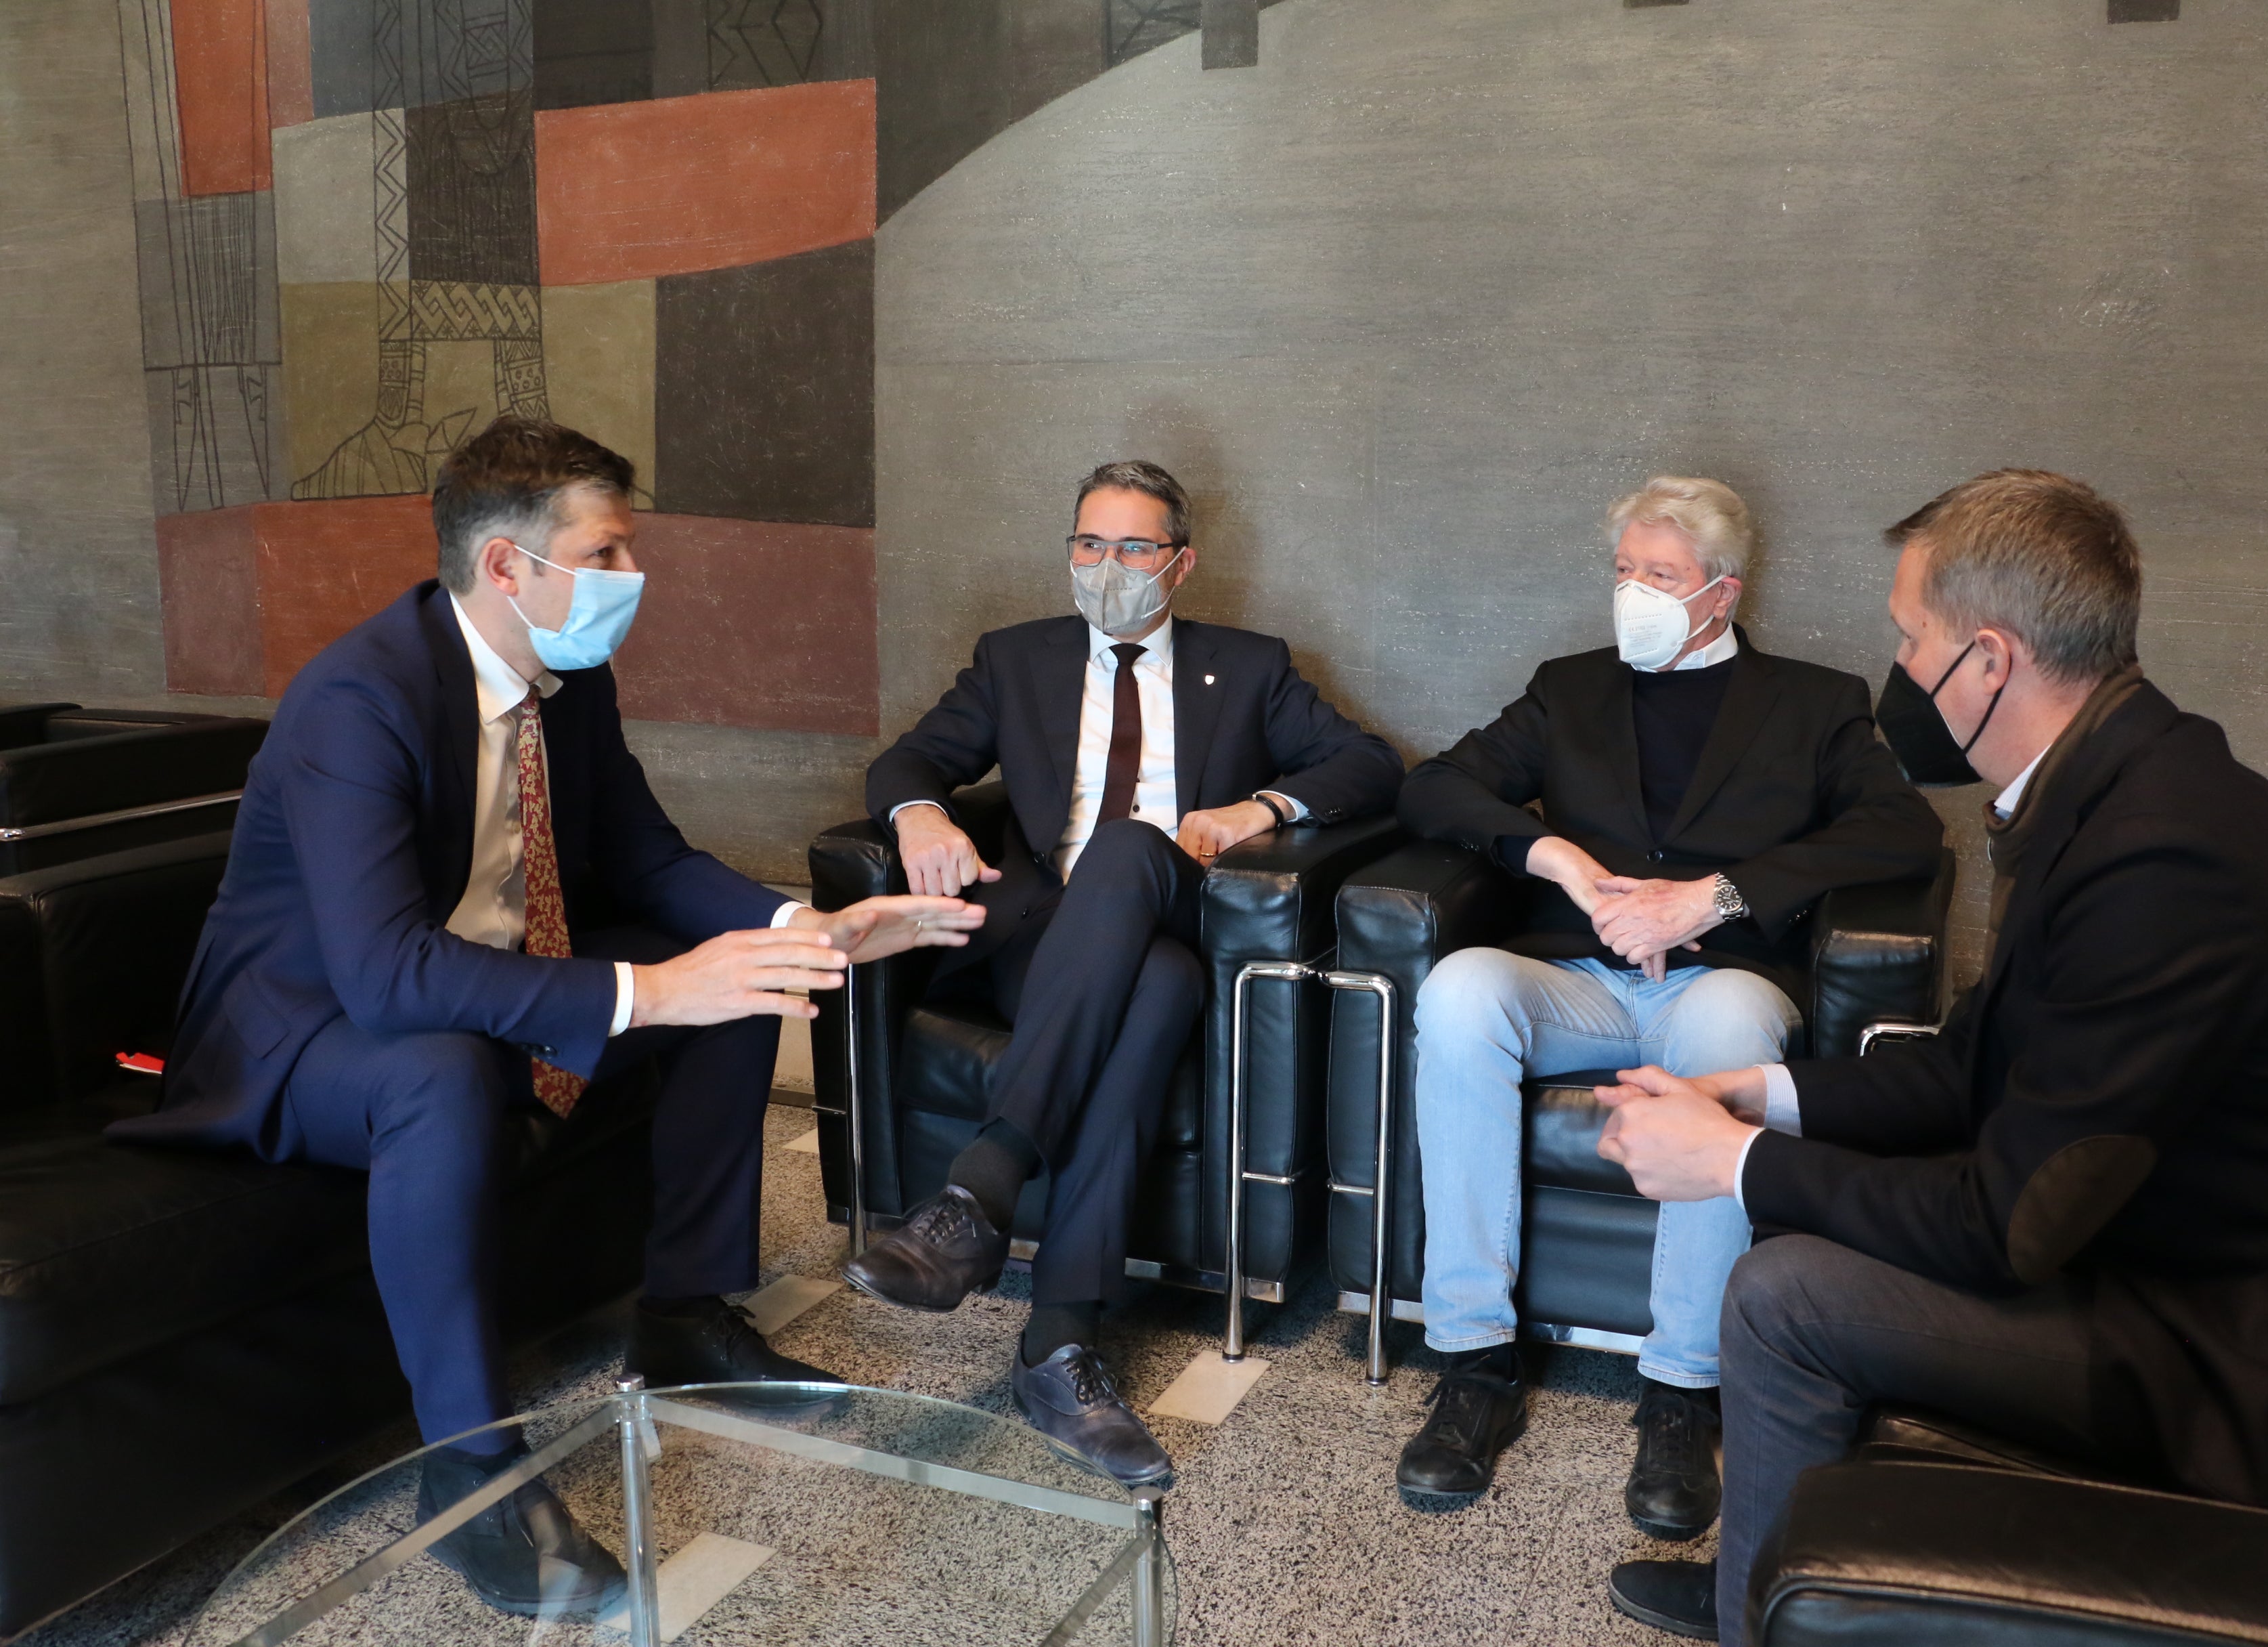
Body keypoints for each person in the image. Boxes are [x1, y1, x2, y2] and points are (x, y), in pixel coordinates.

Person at [114, 418, 982, 1619]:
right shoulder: (354, 702)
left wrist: (801, 926)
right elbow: (384, 978)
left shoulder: (565, 679)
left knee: (735, 978)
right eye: (610, 553)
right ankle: (469, 1479)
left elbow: (642, 855)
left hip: (478, 971)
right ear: (509, 568)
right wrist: (650, 989)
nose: (635, 580)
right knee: (444, 1074)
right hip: (305, 1029)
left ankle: (680, 1317)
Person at [1591, 469, 2268, 1643]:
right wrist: (1761, 1095)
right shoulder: (2109, 786)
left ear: (1990, 659)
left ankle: (1763, 1616)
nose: (1897, 670)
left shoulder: (2164, 857)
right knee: (1808, 1216)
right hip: (2172, 1262)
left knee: (1783, 1292)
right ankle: (1771, 1572)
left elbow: (2012, 1225)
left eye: (1910, 639)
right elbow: (1975, 1066)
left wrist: (1736, 1162)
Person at [1390, 477, 1943, 1533]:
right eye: (1625, 570)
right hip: (1583, 984)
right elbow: (1437, 784)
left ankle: (1684, 1393)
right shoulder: (1570, 688)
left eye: (1662, 576)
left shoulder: (1815, 701)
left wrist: (1717, 895)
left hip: (1718, 983)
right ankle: (1472, 1361)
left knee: (1729, 1028)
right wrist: (1555, 858)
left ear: (1720, 595)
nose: (1634, 592)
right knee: (1461, 990)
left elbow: (1903, 831)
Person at [841, 459, 1403, 1484]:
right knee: (1159, 991)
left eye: (1135, 546)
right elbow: (909, 761)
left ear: (1180, 564)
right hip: (1044, 945)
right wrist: (919, 812)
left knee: (1133, 850)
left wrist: (1259, 809)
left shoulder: (1250, 664)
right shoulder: (1016, 661)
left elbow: (1370, 763)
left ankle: (981, 1190)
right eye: (1089, 544)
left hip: (1167, 896)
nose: (1108, 567)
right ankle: (1056, 1347)